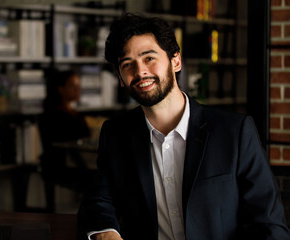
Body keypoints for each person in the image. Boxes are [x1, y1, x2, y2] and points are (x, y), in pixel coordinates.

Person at [77, 13, 290, 240]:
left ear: (175, 60)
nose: (140, 72)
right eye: (128, 64)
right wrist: (106, 233)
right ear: (120, 77)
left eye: (149, 58)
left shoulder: (234, 132)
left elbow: (269, 225)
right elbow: (98, 201)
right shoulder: (116, 134)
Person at [39, 70, 91, 212]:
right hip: (63, 165)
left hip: (79, 162)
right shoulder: (55, 116)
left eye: (78, 86)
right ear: (61, 89)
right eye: (72, 86)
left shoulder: (74, 114)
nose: (77, 90)